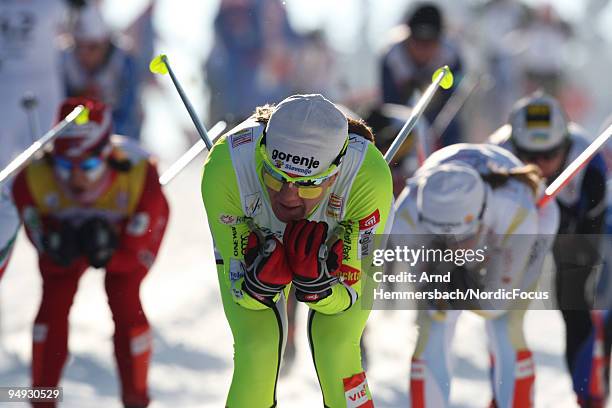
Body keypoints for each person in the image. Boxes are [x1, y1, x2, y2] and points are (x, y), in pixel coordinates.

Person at [201, 94, 393, 407]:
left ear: (334, 174)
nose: (288, 197)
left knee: (337, 348)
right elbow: (240, 290)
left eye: (308, 184)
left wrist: (321, 290)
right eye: (275, 177)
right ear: (262, 153)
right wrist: (257, 288)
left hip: (336, 236)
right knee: (257, 349)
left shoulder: (369, 178)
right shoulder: (226, 166)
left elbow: (350, 296)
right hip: (258, 233)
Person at [11, 97, 169, 408]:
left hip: (124, 238)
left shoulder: (139, 177)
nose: (77, 178)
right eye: (65, 166)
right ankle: (42, 401)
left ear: (108, 156)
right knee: (54, 298)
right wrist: (54, 248)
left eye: (90, 165)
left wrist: (113, 254)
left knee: (123, 294)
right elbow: (42, 248)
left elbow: (134, 255)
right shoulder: (31, 181)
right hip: (65, 234)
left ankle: (136, 400)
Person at [392, 143, 559, 407]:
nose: (454, 249)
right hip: (472, 223)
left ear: (480, 218)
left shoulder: (515, 209)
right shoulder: (405, 218)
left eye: (462, 239)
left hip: (526, 223)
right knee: (433, 324)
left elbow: (494, 306)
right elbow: (435, 305)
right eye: (442, 239)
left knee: (506, 324)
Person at [489, 91, 609, 407]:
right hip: (514, 231)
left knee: (575, 301)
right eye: (529, 155)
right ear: (515, 147)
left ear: (564, 146)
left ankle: (590, 393)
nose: (539, 165)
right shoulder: (495, 156)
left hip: (574, 229)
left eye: (548, 155)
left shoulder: (589, 162)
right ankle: (502, 392)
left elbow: (589, 236)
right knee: (502, 307)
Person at [380, 2, 464, 147]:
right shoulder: (392, 57)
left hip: (439, 115)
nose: (423, 49)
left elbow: (453, 97)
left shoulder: (451, 56)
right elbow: (390, 104)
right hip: (402, 113)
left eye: (430, 43)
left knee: (451, 126)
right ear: (408, 37)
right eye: (418, 42)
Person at [61, 3, 142, 139]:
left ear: (105, 43)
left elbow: (129, 110)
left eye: (92, 47)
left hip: (118, 133)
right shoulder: (63, 60)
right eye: (79, 47)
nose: (84, 55)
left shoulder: (124, 62)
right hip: (73, 135)